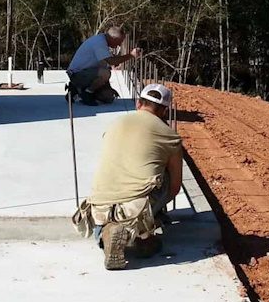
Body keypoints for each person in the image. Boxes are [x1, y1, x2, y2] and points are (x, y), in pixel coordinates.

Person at [72, 83, 182, 271]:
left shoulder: (115, 124)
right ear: (164, 111)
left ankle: (107, 232)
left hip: (99, 203)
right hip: (136, 203)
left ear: (139, 104)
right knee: (164, 174)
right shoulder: (169, 135)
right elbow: (175, 187)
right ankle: (142, 231)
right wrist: (157, 211)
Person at [66, 25, 140, 105]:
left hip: (86, 73)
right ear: (114, 39)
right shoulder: (99, 43)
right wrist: (131, 55)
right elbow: (111, 62)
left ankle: (76, 90)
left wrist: (108, 88)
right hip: (77, 74)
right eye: (120, 41)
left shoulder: (102, 41)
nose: (119, 45)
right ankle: (87, 93)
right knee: (106, 73)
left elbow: (104, 65)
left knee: (108, 97)